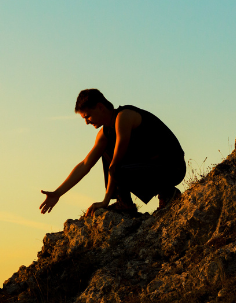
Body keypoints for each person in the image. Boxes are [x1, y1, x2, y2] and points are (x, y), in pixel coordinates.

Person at [40, 89, 186, 217]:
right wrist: (57, 193)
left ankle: (165, 194)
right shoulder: (105, 133)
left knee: (115, 162)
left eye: (87, 116)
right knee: (106, 151)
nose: (87, 123)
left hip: (172, 168)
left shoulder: (124, 117)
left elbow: (116, 164)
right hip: (150, 168)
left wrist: (106, 200)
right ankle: (127, 203)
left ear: (100, 107)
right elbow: (85, 164)